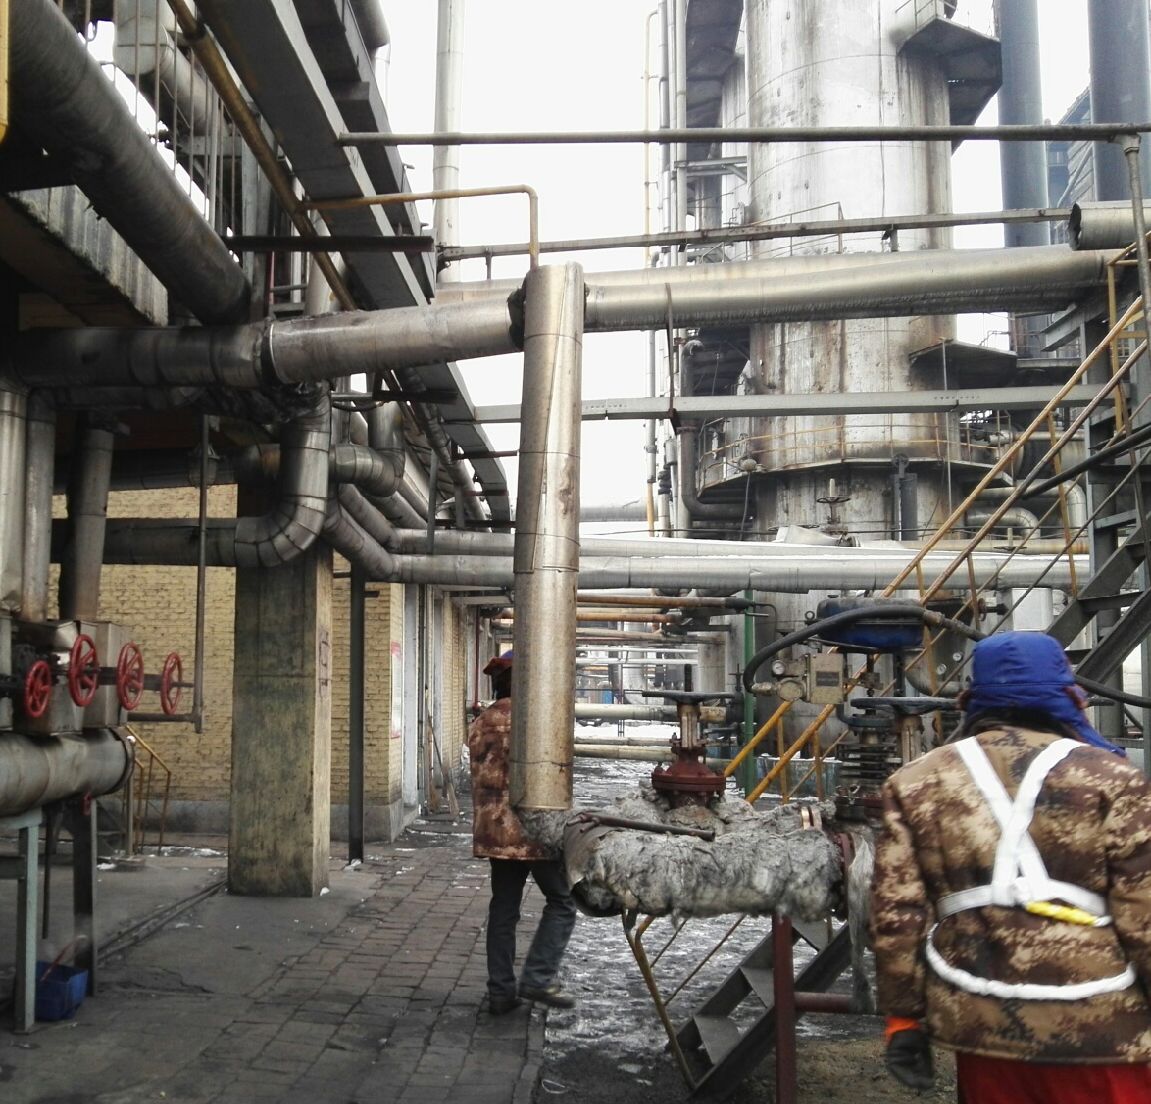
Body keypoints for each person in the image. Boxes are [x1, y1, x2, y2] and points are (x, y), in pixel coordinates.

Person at [870, 631, 1151, 1102]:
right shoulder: (1113, 779)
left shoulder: (917, 782)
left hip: (983, 1025)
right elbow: (1144, 912)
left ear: (970, 699)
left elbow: (896, 914)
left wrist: (903, 1018)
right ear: (1069, 696)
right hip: (1103, 1031)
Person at [468, 651, 578, 1015]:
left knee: (504, 909)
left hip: (495, 832)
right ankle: (538, 977)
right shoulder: (534, 719)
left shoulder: (483, 721)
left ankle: (501, 991)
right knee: (562, 901)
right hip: (533, 830)